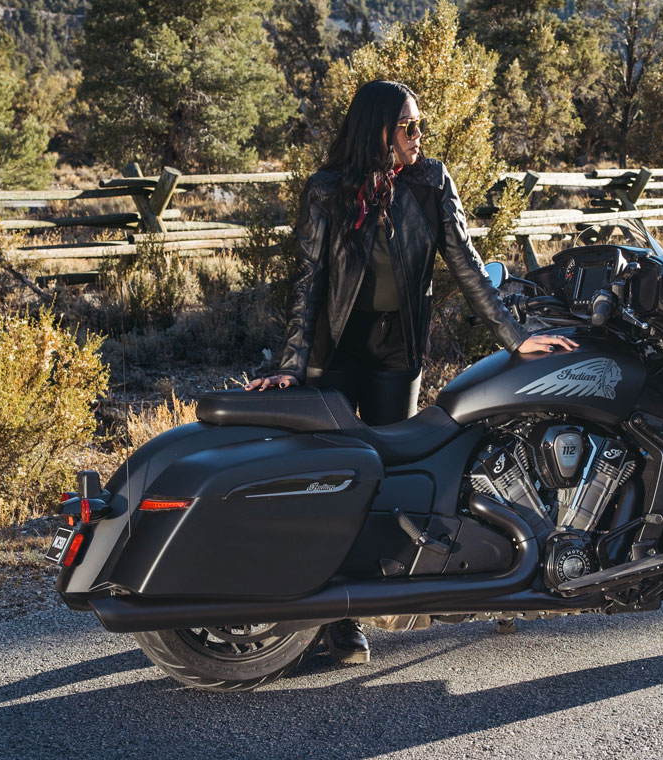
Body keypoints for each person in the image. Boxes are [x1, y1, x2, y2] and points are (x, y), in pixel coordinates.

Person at [246, 80, 577, 664]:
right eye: (408, 125)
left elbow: (468, 266)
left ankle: (358, 613)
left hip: (396, 351)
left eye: (420, 125)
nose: (419, 135)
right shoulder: (327, 189)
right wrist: (291, 366)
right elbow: (308, 283)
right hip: (335, 351)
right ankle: (323, 616)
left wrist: (516, 337)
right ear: (377, 130)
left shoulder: (430, 182)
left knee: (385, 477)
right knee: (333, 478)